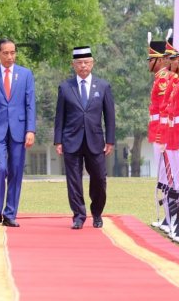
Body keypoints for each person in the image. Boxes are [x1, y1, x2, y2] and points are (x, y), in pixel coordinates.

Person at [54, 46, 115, 230]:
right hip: (71, 140)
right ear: (73, 65)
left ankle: (97, 213)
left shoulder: (103, 86)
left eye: (86, 62)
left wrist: (110, 140)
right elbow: (60, 117)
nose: (83, 66)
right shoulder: (65, 88)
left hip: (95, 141)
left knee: (99, 179)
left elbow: (110, 116)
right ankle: (79, 215)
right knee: (73, 180)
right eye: (79, 63)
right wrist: (58, 140)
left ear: (92, 63)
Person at [0, 38, 36, 228]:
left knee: (16, 171)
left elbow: (30, 105)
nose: (10, 56)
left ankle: (10, 213)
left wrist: (30, 130)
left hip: (19, 130)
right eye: (5, 53)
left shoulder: (25, 75)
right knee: (0, 168)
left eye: (13, 52)